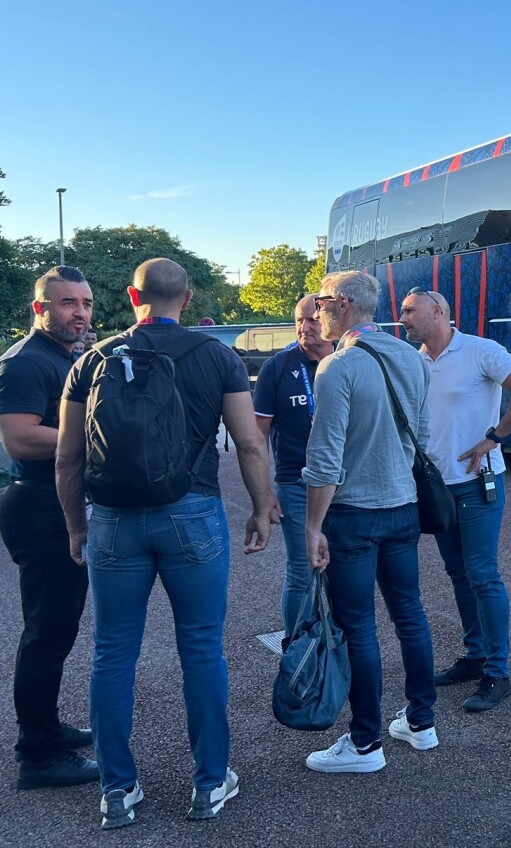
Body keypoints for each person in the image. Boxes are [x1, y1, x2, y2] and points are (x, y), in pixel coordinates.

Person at [54, 258, 278, 829]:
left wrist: (77, 526)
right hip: (192, 513)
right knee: (201, 648)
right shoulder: (217, 355)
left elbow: (67, 455)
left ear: (134, 295)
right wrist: (259, 509)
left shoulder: (93, 359)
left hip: (113, 520)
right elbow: (249, 444)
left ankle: (118, 790)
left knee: (112, 651)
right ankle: (208, 783)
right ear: (189, 296)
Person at [302, 270, 438, 774]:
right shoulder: (412, 357)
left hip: (353, 514)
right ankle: (421, 722)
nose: (315, 313)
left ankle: (365, 744)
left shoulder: (338, 366)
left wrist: (313, 525)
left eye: (320, 303)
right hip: (402, 507)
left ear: (341, 305)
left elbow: (325, 457)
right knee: (410, 612)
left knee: (358, 626)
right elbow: (421, 433)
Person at [399, 287, 511, 713]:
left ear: (439, 311)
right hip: (436, 487)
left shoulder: (481, 350)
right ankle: (475, 654)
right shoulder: (415, 360)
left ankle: (497, 673)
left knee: (482, 575)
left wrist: (493, 439)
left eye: (410, 311)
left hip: (478, 484)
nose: (403, 318)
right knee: (459, 575)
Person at [0, 265, 99, 790]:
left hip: (59, 503)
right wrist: (95, 433)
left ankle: (47, 728)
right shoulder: (24, 362)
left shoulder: (69, 356)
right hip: (39, 507)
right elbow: (19, 439)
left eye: (84, 303)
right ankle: (36, 754)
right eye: (67, 303)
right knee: (45, 633)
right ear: (41, 308)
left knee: (57, 631)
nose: (79, 313)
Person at [253, 294, 335, 635]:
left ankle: (341, 650)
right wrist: (264, 493)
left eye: (313, 320)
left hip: (345, 485)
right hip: (296, 484)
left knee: (345, 570)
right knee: (302, 569)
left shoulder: (349, 359)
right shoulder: (278, 366)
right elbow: (257, 436)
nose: (305, 327)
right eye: (299, 320)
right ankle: (298, 653)